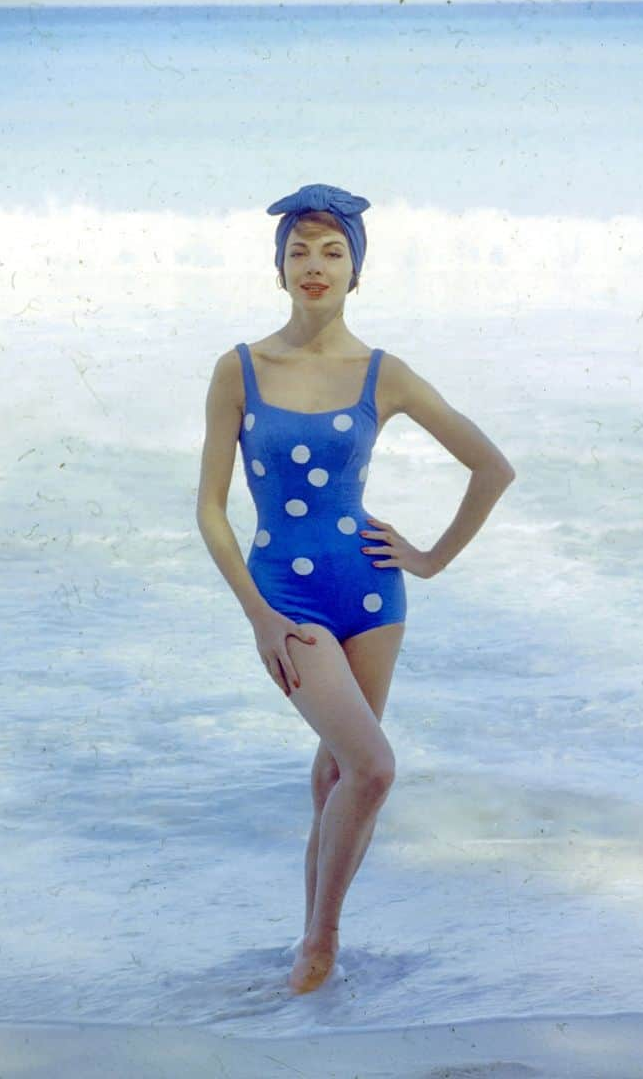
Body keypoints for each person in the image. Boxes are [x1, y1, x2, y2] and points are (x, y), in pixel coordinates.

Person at [195, 183, 516, 994]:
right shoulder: (240, 370)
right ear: (279, 269)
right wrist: (261, 620)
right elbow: (209, 510)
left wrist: (432, 558)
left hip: (373, 594)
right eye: (298, 251)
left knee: (340, 771)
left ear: (355, 272)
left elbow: (492, 466)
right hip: (288, 600)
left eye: (332, 251)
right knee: (371, 767)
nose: (314, 265)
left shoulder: (385, 373)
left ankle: (308, 950)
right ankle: (322, 945)